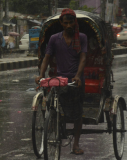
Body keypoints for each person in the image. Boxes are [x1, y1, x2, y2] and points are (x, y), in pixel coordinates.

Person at [35, 9, 87, 155]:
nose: (69, 25)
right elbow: (46, 57)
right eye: (66, 23)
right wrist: (41, 75)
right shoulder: (54, 39)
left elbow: (83, 58)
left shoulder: (82, 38)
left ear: (74, 22)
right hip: (60, 80)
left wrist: (77, 76)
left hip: (76, 80)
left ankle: (75, 144)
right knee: (53, 105)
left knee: (77, 114)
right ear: (61, 23)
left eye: (71, 22)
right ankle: (53, 126)